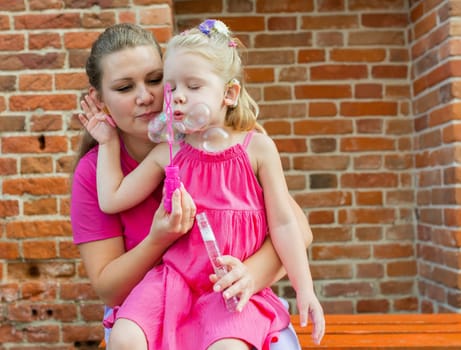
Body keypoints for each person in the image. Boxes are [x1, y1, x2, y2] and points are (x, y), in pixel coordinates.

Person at [78, 19, 325, 349]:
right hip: (174, 281)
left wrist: (302, 288)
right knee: (126, 337)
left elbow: (290, 225)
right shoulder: (171, 152)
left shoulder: (255, 148)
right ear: (100, 97)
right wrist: (108, 144)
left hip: (223, 286)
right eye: (173, 87)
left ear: (229, 93)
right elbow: (112, 199)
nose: (163, 97)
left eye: (156, 81)